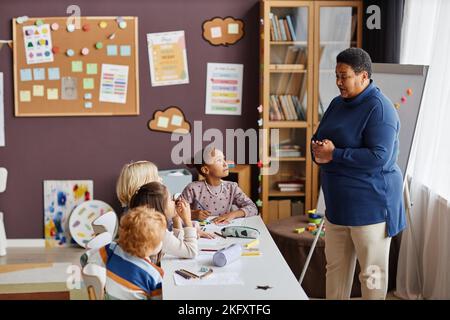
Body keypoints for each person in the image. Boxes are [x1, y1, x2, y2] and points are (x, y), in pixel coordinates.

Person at [311, 48, 405, 300]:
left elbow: (379, 157)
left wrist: (335, 155)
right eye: (336, 76)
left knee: (372, 275)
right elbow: (320, 138)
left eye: (344, 76)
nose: (339, 82)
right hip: (338, 205)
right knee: (335, 269)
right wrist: (317, 150)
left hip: (370, 207)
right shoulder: (336, 103)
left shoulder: (380, 109)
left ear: (363, 76)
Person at [86, 206, 166, 300]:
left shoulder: (111, 249)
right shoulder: (154, 276)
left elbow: (87, 259)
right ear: (148, 247)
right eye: (160, 240)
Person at [182, 147, 258, 224]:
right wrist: (193, 214)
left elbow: (253, 208)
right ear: (205, 170)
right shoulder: (192, 188)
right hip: (199, 233)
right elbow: (175, 211)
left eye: (224, 159)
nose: (225, 164)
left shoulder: (232, 187)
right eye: (219, 160)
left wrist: (232, 214)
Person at [129, 181, 200, 261]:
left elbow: (178, 247)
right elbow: (191, 251)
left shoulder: (146, 226)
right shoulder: (157, 233)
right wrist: (187, 221)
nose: (174, 202)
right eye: (170, 200)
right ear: (160, 208)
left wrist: (176, 218)